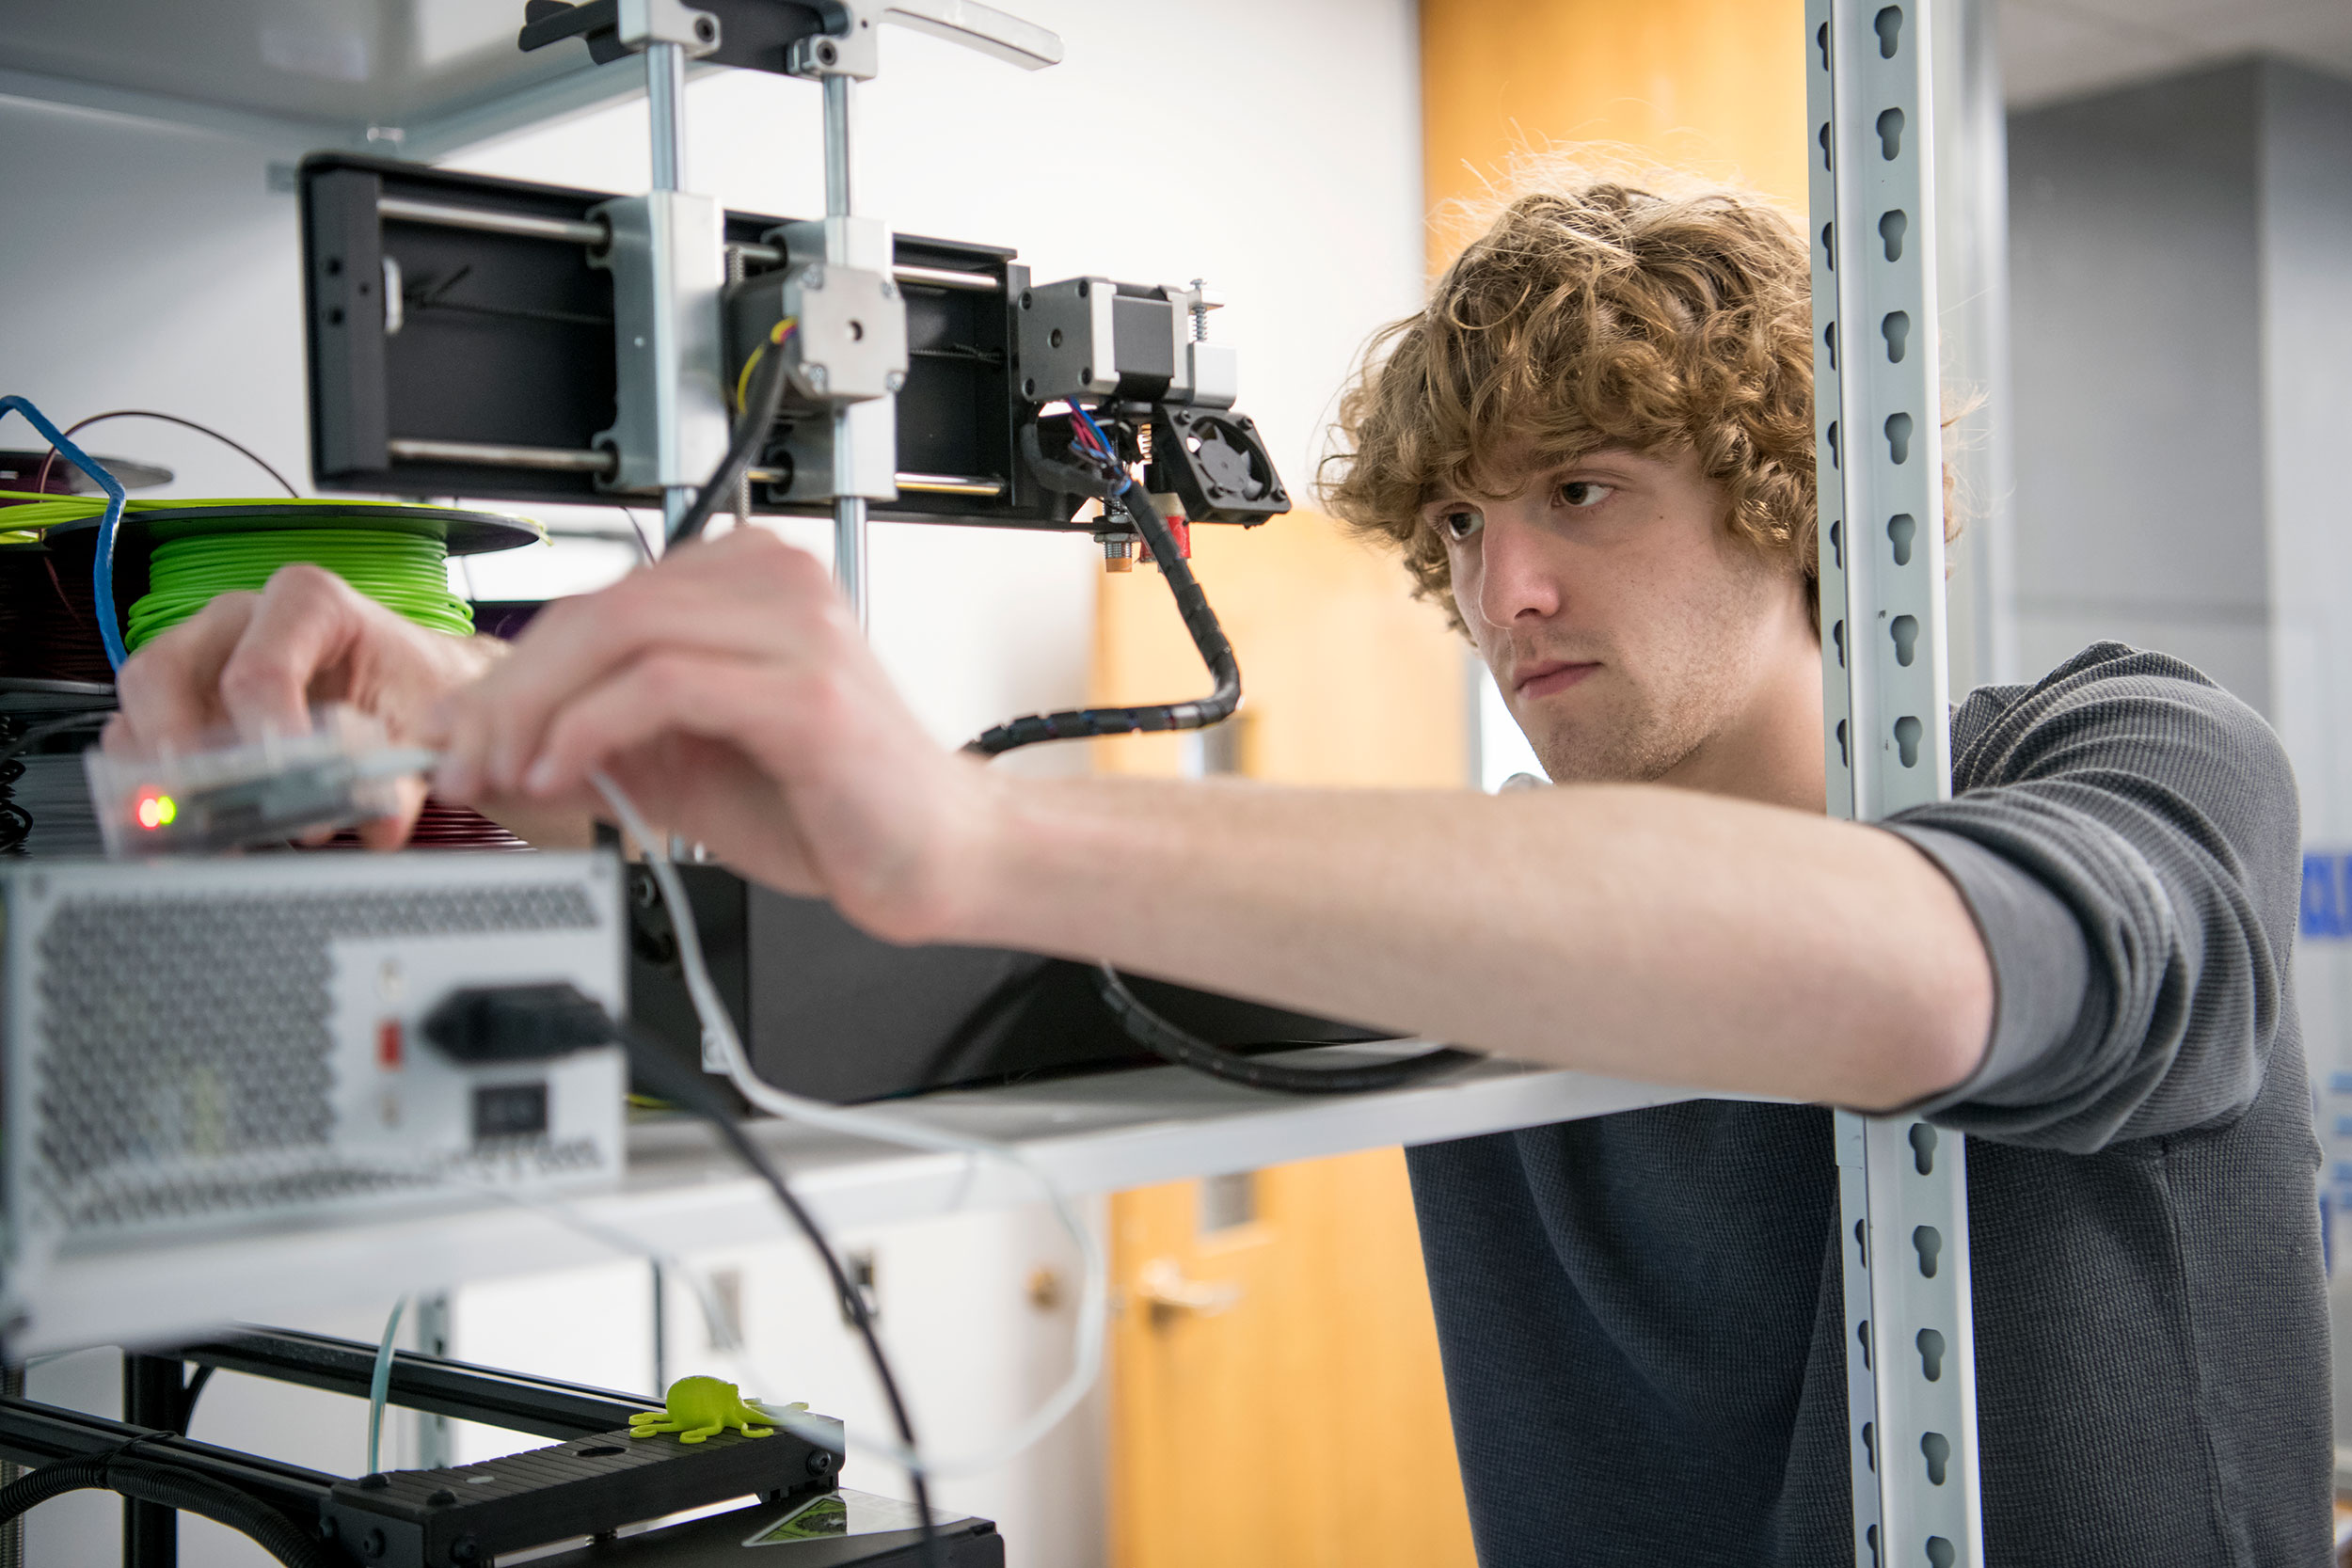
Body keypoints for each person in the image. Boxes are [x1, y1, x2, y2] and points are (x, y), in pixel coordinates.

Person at [108, 178, 2326, 1564]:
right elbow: (911, 963)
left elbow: (1925, 977)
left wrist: (967, 824)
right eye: (1461, 528)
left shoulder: (2129, 761)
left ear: (1791, 492)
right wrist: (510, 733)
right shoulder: (1450, 922)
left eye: (1582, 488)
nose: (1506, 586)